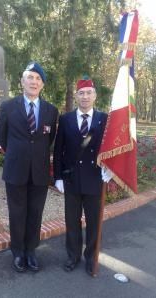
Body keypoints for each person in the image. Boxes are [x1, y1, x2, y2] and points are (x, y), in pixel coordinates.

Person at [0, 62, 58, 272]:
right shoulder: (8, 107)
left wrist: (34, 155)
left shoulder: (51, 110)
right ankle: (18, 252)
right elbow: (0, 136)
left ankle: (31, 251)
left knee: (36, 212)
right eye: (29, 77)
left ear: (42, 85)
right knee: (17, 212)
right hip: (15, 170)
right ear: (22, 82)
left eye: (38, 79)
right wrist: (18, 153)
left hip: (39, 171)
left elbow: (50, 140)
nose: (33, 82)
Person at [53, 77, 110, 276]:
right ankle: (73, 255)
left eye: (89, 93)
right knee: (72, 221)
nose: (85, 97)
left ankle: (90, 257)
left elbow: (112, 148)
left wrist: (110, 169)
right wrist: (58, 177)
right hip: (72, 180)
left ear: (95, 96)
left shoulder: (104, 119)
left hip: (95, 178)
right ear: (76, 96)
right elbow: (59, 149)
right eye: (81, 93)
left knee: (94, 222)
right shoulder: (66, 119)